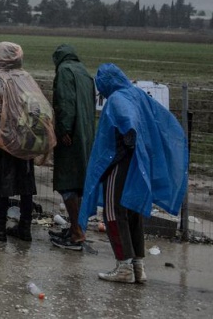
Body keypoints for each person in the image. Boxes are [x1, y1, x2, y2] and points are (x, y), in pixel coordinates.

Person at [80, 63, 188, 284]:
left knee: (113, 213)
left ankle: (124, 266)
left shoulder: (118, 98)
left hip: (120, 162)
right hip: (141, 162)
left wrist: (126, 141)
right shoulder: (137, 94)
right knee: (132, 212)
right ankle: (138, 265)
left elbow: (128, 122)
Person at [0, 42, 55, 243]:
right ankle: (24, 226)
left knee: (2, 181)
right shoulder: (25, 77)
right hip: (26, 136)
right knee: (26, 183)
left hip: (4, 137)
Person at [49, 44, 97, 250]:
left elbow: (65, 102)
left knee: (67, 182)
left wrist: (63, 130)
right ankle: (76, 227)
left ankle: (77, 233)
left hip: (71, 136)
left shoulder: (64, 71)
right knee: (79, 184)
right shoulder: (84, 72)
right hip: (85, 134)